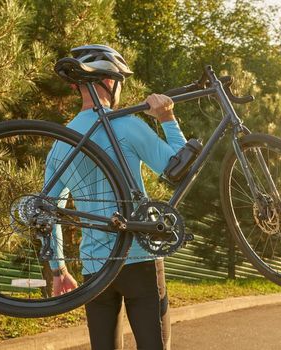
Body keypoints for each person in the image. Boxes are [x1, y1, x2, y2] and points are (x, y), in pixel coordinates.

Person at [45, 44, 185, 350]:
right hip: (140, 257)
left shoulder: (61, 143)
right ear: (110, 81)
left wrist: (59, 270)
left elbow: (47, 213)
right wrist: (167, 119)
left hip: (96, 267)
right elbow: (178, 169)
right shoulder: (126, 125)